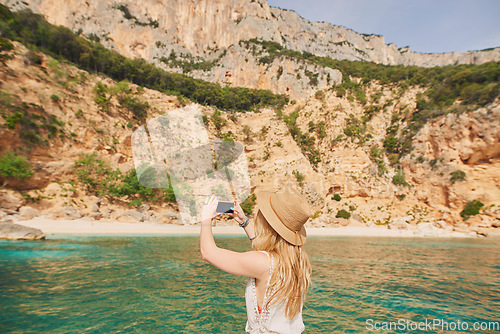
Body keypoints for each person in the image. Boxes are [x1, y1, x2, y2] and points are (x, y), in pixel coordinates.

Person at [200, 186, 312, 333]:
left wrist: (206, 219)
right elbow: (267, 248)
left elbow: (208, 253)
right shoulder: (297, 261)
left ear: (267, 222)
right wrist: (244, 222)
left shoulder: (263, 263)